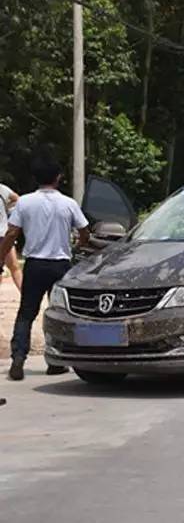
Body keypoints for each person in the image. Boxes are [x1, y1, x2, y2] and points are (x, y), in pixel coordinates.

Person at [0, 154, 89, 381]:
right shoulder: (69, 203)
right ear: (58, 178)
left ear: (35, 178)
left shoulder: (26, 202)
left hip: (35, 265)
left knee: (26, 314)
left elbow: (12, 233)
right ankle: (54, 361)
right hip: (61, 265)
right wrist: (78, 247)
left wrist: (1, 257)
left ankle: (18, 358)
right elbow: (84, 232)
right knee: (58, 313)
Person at [0, 179, 21, 290]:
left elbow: (18, 200)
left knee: (14, 266)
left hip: (3, 233)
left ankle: (24, 295)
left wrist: (9, 208)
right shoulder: (2, 189)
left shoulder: (1, 189)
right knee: (14, 267)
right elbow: (18, 200)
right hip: (3, 233)